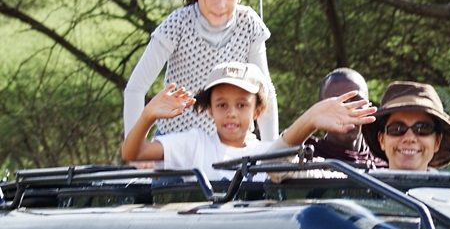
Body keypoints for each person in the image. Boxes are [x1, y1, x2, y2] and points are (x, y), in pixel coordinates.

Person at [123, 0, 279, 142]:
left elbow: (265, 91)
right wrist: (135, 150)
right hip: (176, 145)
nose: (220, 4)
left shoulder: (249, 24)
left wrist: (271, 152)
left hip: (230, 148)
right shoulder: (178, 23)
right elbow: (135, 88)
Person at [121, 61, 375, 180]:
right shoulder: (194, 144)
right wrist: (147, 116)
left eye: (241, 105)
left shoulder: (270, 152)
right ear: (210, 110)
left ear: (258, 111)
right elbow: (133, 152)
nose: (231, 113)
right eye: (222, 105)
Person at [362, 81, 450, 171]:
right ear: (382, 140)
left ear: (437, 141)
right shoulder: (361, 189)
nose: (409, 138)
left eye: (422, 128)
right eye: (397, 129)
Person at [306, 68, 387, 168]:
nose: (348, 109)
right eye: (338, 102)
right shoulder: (303, 160)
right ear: (321, 109)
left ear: (368, 106)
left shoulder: (384, 165)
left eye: (357, 101)